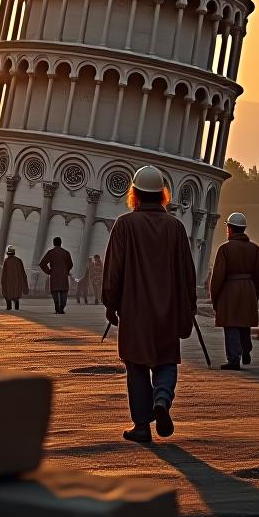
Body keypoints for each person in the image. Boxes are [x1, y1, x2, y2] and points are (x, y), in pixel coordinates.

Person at [103, 165, 196, 445]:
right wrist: (188, 307)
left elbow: (113, 270)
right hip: (168, 309)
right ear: (162, 195)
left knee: (137, 365)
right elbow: (187, 273)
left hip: (135, 309)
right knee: (166, 360)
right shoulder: (176, 227)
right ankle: (162, 401)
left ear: (135, 194)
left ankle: (142, 425)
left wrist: (111, 303)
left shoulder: (125, 225)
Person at [209, 212, 259, 370]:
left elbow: (218, 276)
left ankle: (234, 358)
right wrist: (255, 294)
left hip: (229, 290)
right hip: (248, 288)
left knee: (231, 324)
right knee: (244, 323)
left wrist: (215, 298)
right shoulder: (254, 249)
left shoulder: (225, 249)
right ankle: (246, 349)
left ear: (230, 229)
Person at [39, 236, 74, 313]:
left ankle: (57, 305)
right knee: (64, 291)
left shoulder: (50, 253)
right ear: (61, 243)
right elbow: (70, 264)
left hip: (54, 274)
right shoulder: (66, 253)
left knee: (55, 291)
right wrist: (66, 270)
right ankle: (62, 306)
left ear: (53, 243)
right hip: (63, 275)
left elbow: (42, 264)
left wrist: (48, 271)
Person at [0, 244, 29, 310]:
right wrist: (24, 282)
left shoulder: (7, 261)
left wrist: (2, 281)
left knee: (8, 295)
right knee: (16, 297)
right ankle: (16, 308)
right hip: (17, 282)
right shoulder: (19, 260)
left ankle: (9, 308)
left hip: (8, 282)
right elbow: (23, 272)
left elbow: (4, 273)